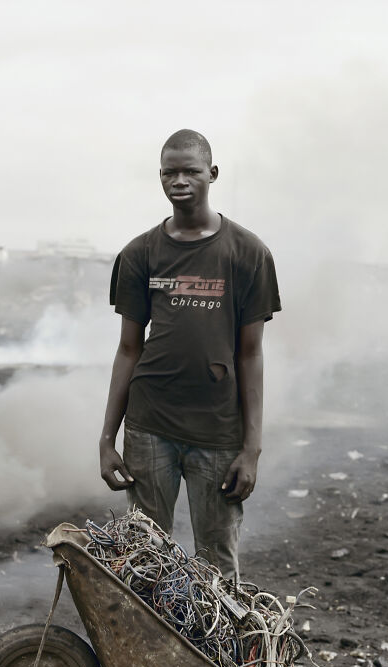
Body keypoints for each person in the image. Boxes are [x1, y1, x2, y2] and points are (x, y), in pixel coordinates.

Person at [99, 129, 281, 581]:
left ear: (212, 174)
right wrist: (107, 438)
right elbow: (127, 349)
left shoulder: (248, 254)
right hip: (149, 426)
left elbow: (251, 355)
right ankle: (147, 652)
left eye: (190, 171)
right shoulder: (140, 254)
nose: (179, 180)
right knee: (145, 560)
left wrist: (251, 448)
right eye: (169, 172)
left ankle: (216, 655)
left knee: (216, 566)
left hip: (218, 433)